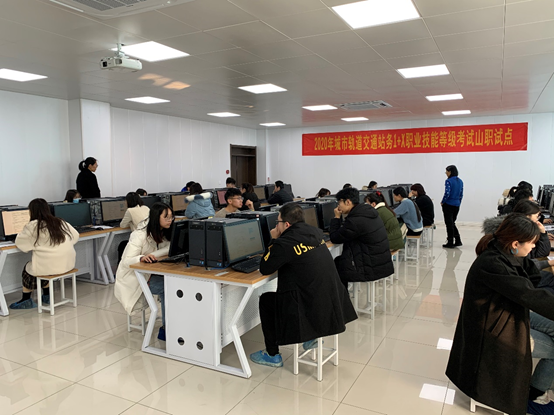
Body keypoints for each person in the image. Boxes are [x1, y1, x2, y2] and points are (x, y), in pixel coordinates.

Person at [446, 213, 554, 415]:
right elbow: (528, 294)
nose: (533, 247)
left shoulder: (503, 252)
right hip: (494, 328)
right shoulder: (493, 263)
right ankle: (534, 397)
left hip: (507, 313)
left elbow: (530, 274)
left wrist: (545, 263)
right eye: (531, 243)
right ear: (515, 243)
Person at [249, 203, 357, 367]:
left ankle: (272, 355)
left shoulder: (284, 242)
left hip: (309, 306)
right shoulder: (315, 232)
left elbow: (265, 268)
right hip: (331, 299)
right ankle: (310, 335)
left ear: (286, 224)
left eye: (277, 222)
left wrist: (273, 239)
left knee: (266, 300)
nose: (276, 226)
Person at [114, 202, 173, 341]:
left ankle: (173, 325)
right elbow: (126, 260)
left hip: (150, 273)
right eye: (166, 217)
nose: (170, 220)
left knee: (175, 282)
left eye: (171, 217)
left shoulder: (164, 232)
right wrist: (141, 258)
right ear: (156, 218)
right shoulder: (139, 235)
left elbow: (169, 248)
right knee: (168, 287)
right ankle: (167, 329)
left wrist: (155, 255)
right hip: (134, 278)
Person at [9, 199, 79, 309]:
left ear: (31, 211)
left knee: (29, 268)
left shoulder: (33, 226)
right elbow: (75, 236)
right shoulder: (60, 222)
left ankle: (26, 300)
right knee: (43, 264)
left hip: (48, 267)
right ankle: (46, 296)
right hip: (67, 264)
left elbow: (21, 244)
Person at [330, 187, 394, 288]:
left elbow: (335, 238)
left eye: (339, 203)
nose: (338, 206)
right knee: (339, 261)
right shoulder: (367, 212)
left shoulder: (355, 220)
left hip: (371, 267)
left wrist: (336, 217)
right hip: (381, 262)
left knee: (336, 266)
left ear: (348, 202)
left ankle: (342, 297)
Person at [441, 165, 463, 248]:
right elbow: (461, 194)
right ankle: (458, 240)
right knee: (452, 223)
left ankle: (450, 242)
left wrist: (443, 202)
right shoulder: (460, 181)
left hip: (448, 204)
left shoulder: (448, 181)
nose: (446, 173)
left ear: (450, 172)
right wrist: (458, 202)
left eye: (446, 172)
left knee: (449, 224)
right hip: (456, 204)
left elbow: (447, 193)